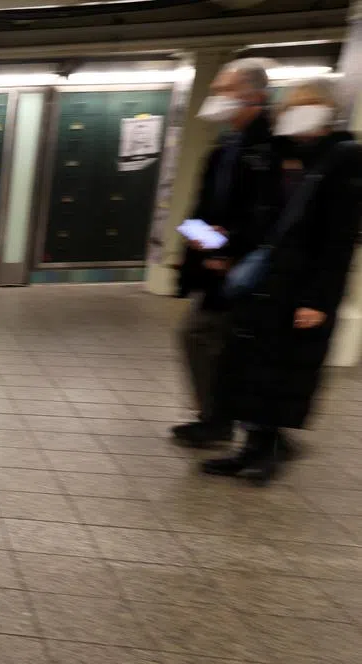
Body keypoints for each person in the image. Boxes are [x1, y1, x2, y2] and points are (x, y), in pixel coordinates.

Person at [203, 79, 362, 485]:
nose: (295, 115)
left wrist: (319, 300)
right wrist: (221, 247)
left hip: (300, 287)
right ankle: (246, 448)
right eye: (291, 107)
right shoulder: (277, 158)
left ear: (326, 113)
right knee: (250, 367)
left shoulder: (343, 160)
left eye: (305, 107)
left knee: (281, 371)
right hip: (265, 282)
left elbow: (338, 241)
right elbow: (259, 222)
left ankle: (267, 451)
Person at [171, 59, 281, 448]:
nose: (215, 98)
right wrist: (198, 236)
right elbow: (207, 204)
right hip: (217, 263)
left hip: (249, 268)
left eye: (223, 91)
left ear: (253, 96)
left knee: (214, 338)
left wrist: (231, 245)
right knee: (203, 337)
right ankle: (218, 418)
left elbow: (272, 213)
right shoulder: (227, 144)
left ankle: (237, 424)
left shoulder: (271, 146)